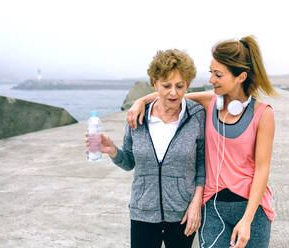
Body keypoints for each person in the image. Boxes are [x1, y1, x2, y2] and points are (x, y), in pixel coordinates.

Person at [127, 35, 276, 248]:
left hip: (252, 210)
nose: (211, 80)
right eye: (211, 73)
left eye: (218, 74)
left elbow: (262, 170)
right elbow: (171, 94)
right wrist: (140, 101)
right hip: (213, 208)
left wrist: (247, 220)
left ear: (240, 77)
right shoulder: (210, 102)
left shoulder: (263, 114)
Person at [85, 49, 206, 248]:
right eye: (166, 85)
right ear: (154, 83)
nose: (173, 92)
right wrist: (113, 150)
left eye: (180, 86)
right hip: (143, 212)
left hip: (183, 214)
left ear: (188, 85)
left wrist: (196, 205)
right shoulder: (138, 116)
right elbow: (129, 162)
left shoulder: (196, 116)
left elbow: (202, 166)